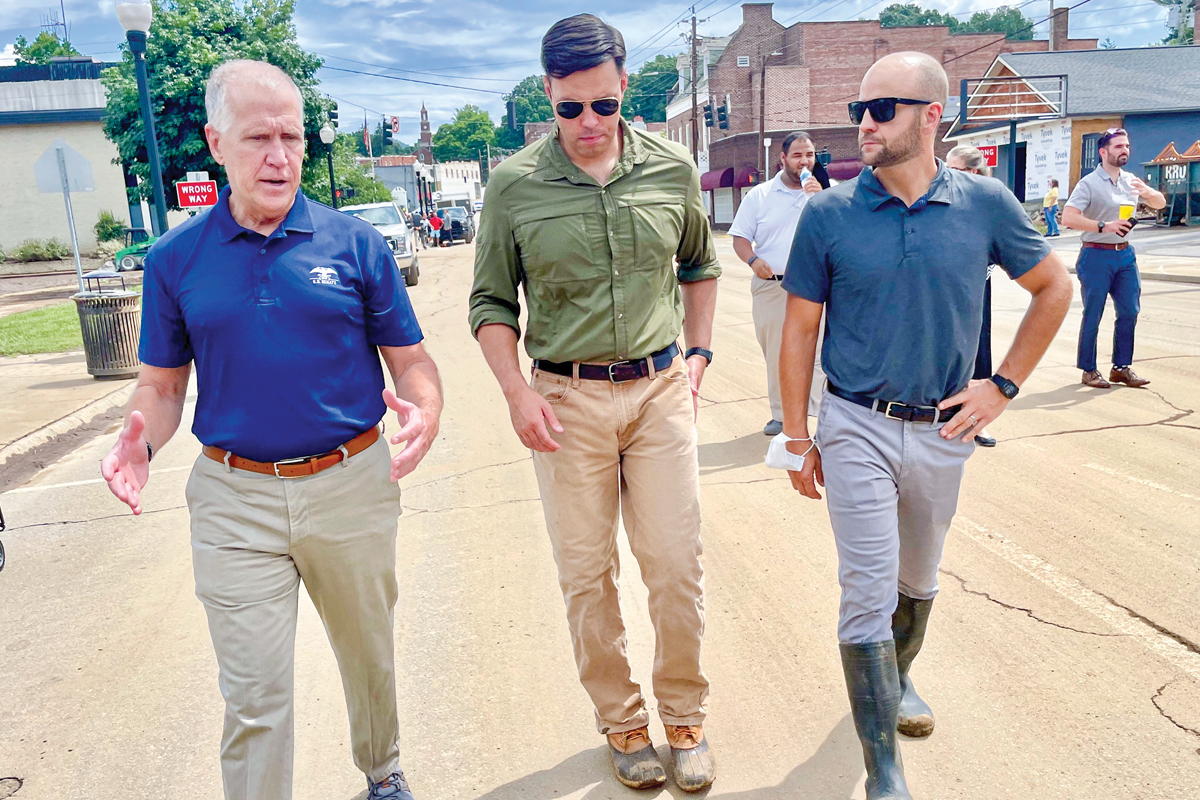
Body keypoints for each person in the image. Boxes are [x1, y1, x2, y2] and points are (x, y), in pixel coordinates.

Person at [99, 60, 443, 800]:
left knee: (368, 656)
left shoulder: (355, 245)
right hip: (234, 499)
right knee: (254, 696)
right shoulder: (174, 260)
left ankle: (382, 771)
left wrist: (427, 410)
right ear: (216, 143)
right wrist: (142, 441)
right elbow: (161, 388)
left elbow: (412, 364)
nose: (280, 155)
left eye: (291, 135)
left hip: (350, 483)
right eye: (259, 137)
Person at [776, 52, 1071, 799]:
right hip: (855, 424)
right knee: (867, 587)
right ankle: (885, 771)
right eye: (859, 111)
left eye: (882, 110)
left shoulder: (985, 203)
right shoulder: (830, 213)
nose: (864, 124)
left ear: (932, 115)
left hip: (944, 430)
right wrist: (798, 436)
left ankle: (896, 681)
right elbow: (799, 332)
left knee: (919, 576)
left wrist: (1001, 387)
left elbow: (1052, 287)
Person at [470, 14, 719, 793]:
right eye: (570, 107)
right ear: (547, 95)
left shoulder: (671, 168)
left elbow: (701, 266)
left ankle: (685, 716)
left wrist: (700, 356)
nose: (588, 123)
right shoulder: (514, 186)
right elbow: (489, 302)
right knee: (587, 575)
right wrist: (515, 390)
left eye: (604, 106)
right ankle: (622, 724)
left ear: (624, 94)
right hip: (565, 399)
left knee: (677, 566)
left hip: (657, 393)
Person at [729, 130, 824, 436]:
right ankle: (781, 415)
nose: (804, 161)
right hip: (773, 285)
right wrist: (753, 261)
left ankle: (821, 413)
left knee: (821, 353)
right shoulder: (760, 195)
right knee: (778, 351)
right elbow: (740, 238)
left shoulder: (826, 192)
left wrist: (820, 198)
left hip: (818, 286)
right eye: (797, 155)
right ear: (783, 159)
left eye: (809, 155)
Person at [1062, 128, 1166, 389]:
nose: (1125, 151)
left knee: (1130, 310)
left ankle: (1121, 367)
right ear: (1103, 152)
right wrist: (1103, 226)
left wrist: (1147, 192)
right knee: (1093, 313)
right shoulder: (1088, 183)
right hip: (1096, 254)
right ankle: (1088, 369)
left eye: (1127, 146)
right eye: (1119, 146)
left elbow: (1160, 203)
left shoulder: (1130, 180)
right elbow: (1068, 217)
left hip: (1125, 256)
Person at [945, 145, 998, 448]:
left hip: (978, 287)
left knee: (979, 349)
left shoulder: (988, 202)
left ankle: (977, 422)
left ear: (972, 172)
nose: (947, 175)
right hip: (945, 288)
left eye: (954, 170)